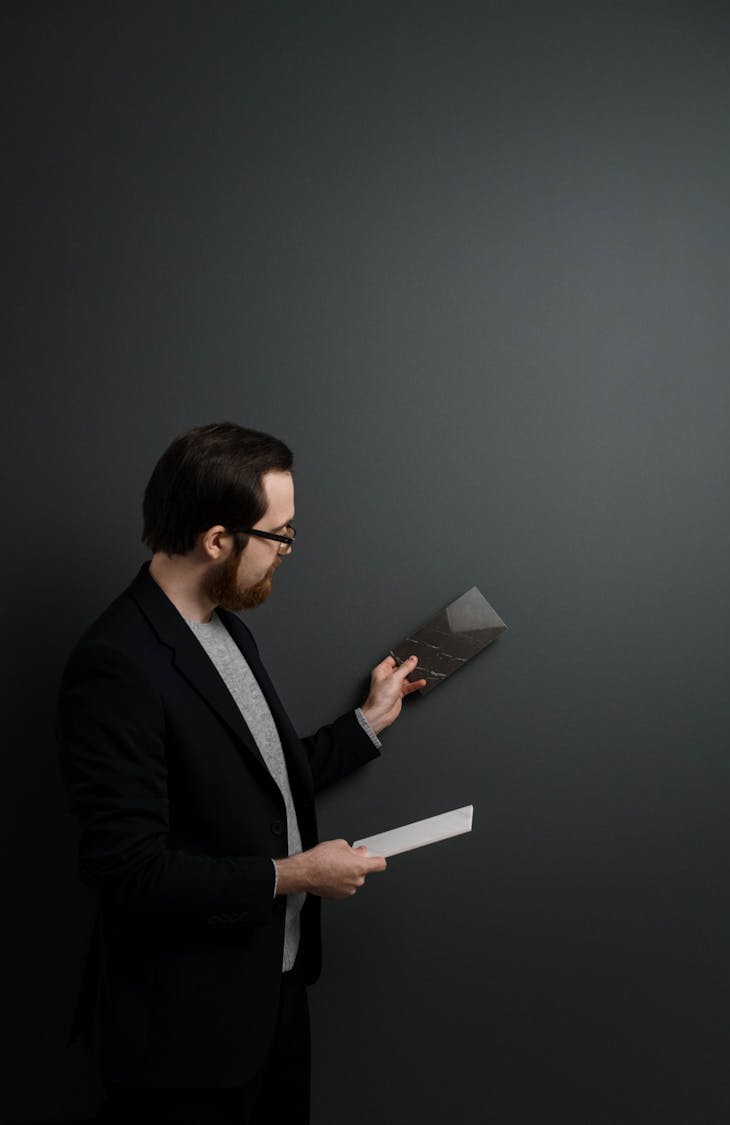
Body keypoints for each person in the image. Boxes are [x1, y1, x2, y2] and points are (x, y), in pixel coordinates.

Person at [57, 422, 425, 1124]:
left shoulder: (228, 629)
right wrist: (297, 874)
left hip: (272, 997)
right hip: (183, 1038)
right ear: (218, 539)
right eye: (279, 536)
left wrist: (365, 724)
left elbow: (257, 787)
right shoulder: (115, 664)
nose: (288, 551)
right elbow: (130, 872)